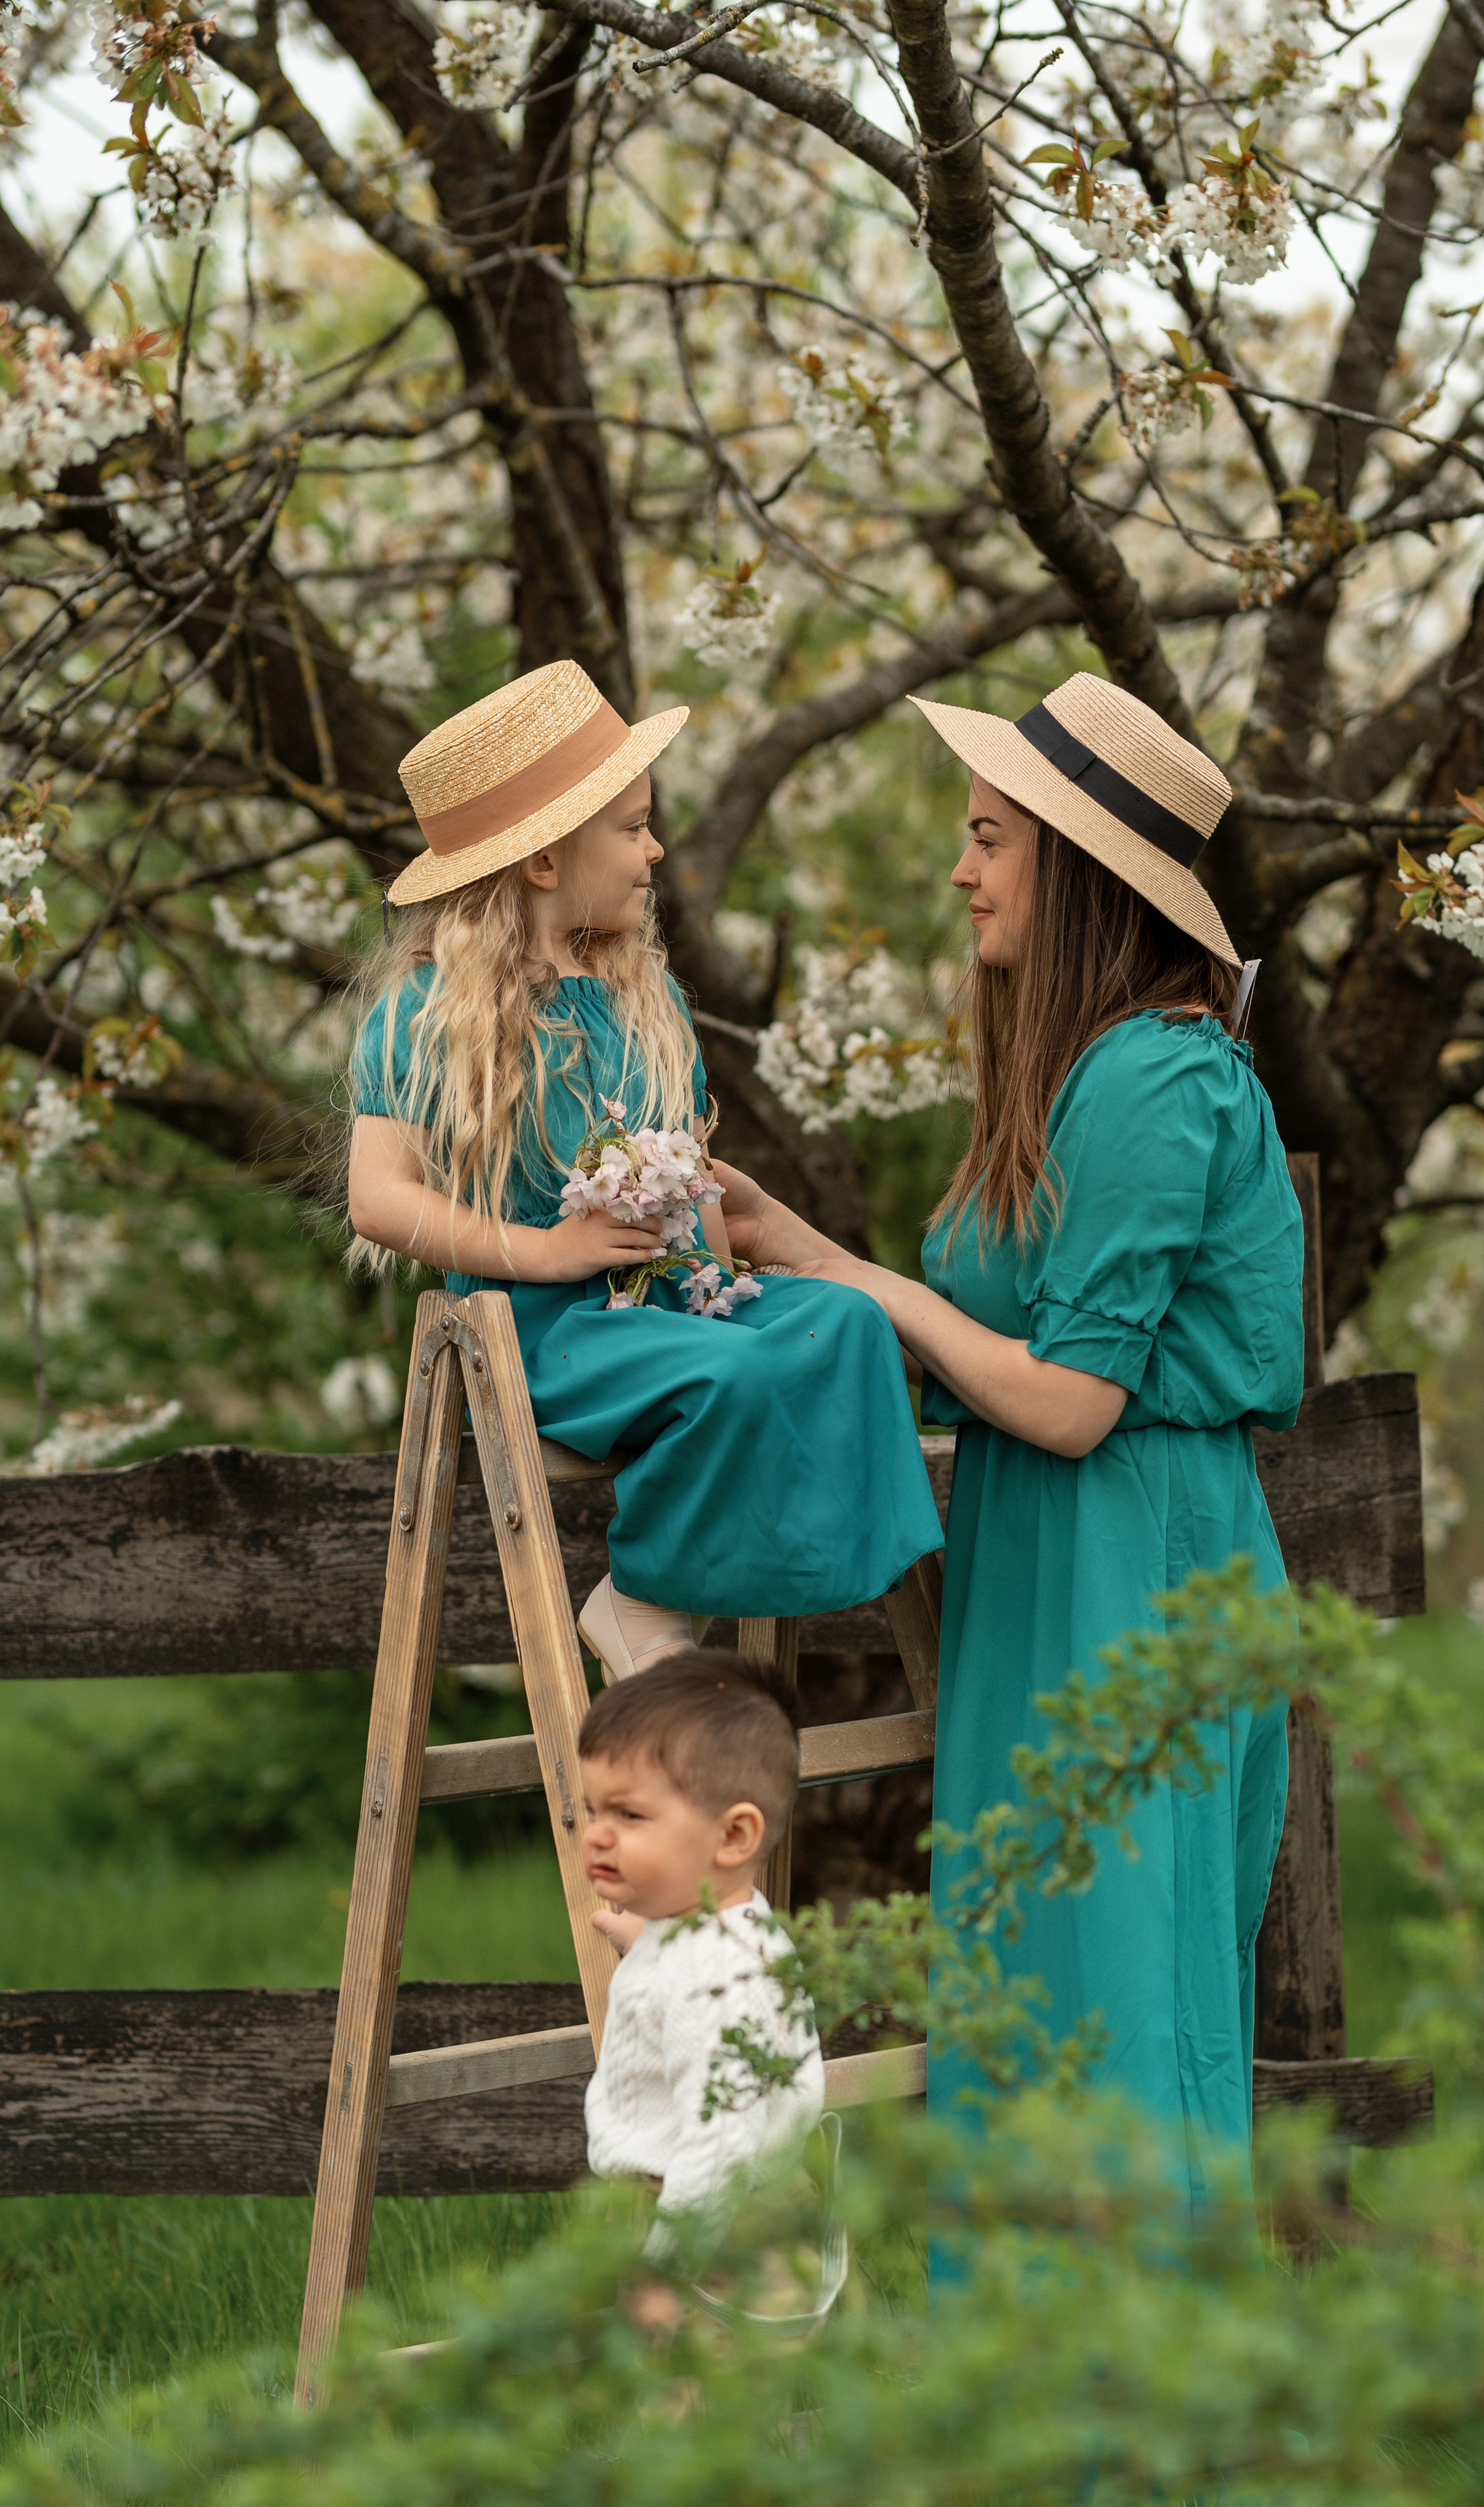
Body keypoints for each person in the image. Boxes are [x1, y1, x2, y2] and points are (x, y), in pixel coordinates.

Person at [718, 673, 1306, 2214]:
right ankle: (1039, 2434)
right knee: (1024, 2011)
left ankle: (1169, 2455)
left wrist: (863, 1284)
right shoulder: (1075, 1078)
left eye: (988, 839)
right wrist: (788, 1250)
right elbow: (991, 1352)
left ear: (1081, 871)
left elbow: (1067, 1399)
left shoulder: (1159, 1078)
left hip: (1134, 1559)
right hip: (1040, 1563)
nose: (959, 872)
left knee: (1126, 2031)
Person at [345, 658, 943, 1681]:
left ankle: (799, 1577)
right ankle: (645, 1597)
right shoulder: (427, 1012)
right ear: (544, 862)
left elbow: (690, 1172)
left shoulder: (643, 997)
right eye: (630, 828)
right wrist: (545, 1252)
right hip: (549, 1329)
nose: (655, 848)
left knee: (842, 1322)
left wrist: (727, 1281)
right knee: (740, 1372)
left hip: (672, 1306)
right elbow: (378, 1197)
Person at [578, 1650, 826, 2283]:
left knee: (679, 2381)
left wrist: (668, 2275)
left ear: (734, 1837)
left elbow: (720, 2145)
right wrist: (647, 1939)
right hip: (726, 2210)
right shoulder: (720, 1929)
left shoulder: (710, 1981)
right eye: (593, 1810)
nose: (597, 1835)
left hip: (705, 2224)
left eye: (629, 1815)